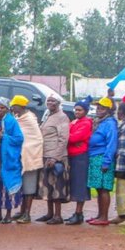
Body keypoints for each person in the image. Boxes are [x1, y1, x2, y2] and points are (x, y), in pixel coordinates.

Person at [39, 95, 71, 224]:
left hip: (56, 157)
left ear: (58, 103)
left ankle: (58, 215)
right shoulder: (48, 116)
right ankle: (49, 213)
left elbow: (63, 138)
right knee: (47, 186)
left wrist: (55, 157)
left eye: (53, 101)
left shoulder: (62, 117)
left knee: (57, 186)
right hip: (45, 154)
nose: (50, 103)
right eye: (49, 101)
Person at [85, 99, 117, 225]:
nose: (99, 111)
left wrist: (106, 161)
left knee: (104, 189)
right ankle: (99, 215)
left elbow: (111, 143)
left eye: (102, 108)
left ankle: (104, 217)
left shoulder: (110, 123)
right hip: (94, 157)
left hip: (102, 157)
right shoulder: (100, 122)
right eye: (98, 108)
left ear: (108, 110)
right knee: (98, 188)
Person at [0, 98, 25, 224]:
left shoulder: (11, 121)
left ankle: (8, 214)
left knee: (7, 186)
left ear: (7, 109)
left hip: (8, 159)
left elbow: (19, 138)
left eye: (2, 107)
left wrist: (3, 137)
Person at [65, 99, 93, 224]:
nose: (77, 112)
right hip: (73, 154)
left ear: (85, 111)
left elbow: (74, 137)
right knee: (75, 183)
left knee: (80, 184)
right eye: (75, 109)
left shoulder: (86, 123)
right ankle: (77, 213)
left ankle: (78, 213)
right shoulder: (75, 122)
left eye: (79, 110)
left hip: (80, 156)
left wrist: (67, 136)